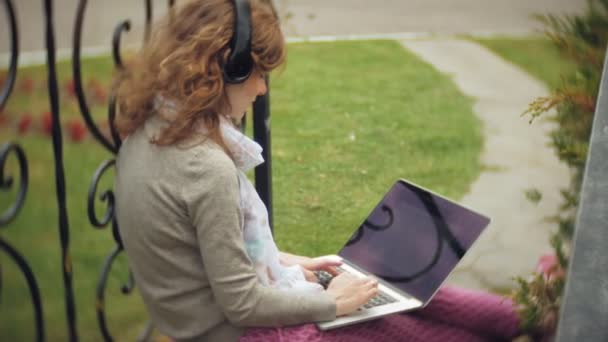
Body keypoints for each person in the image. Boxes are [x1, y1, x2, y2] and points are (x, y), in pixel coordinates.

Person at [113, 0, 521, 341]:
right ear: (226, 68)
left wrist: (292, 264)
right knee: (405, 326)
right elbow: (243, 304)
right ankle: (540, 317)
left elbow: (208, 252)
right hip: (248, 333)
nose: (261, 90)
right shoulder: (205, 168)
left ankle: (532, 314)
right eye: (258, 73)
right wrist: (333, 301)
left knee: (393, 288)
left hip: (223, 314)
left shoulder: (149, 133)